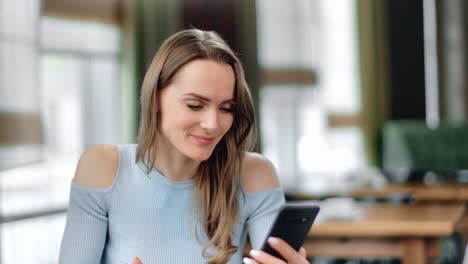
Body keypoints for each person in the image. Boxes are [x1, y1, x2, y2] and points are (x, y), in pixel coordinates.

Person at [58, 28, 309, 264]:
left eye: (226, 108)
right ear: (155, 98)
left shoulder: (253, 174)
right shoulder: (103, 168)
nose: (212, 124)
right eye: (195, 105)